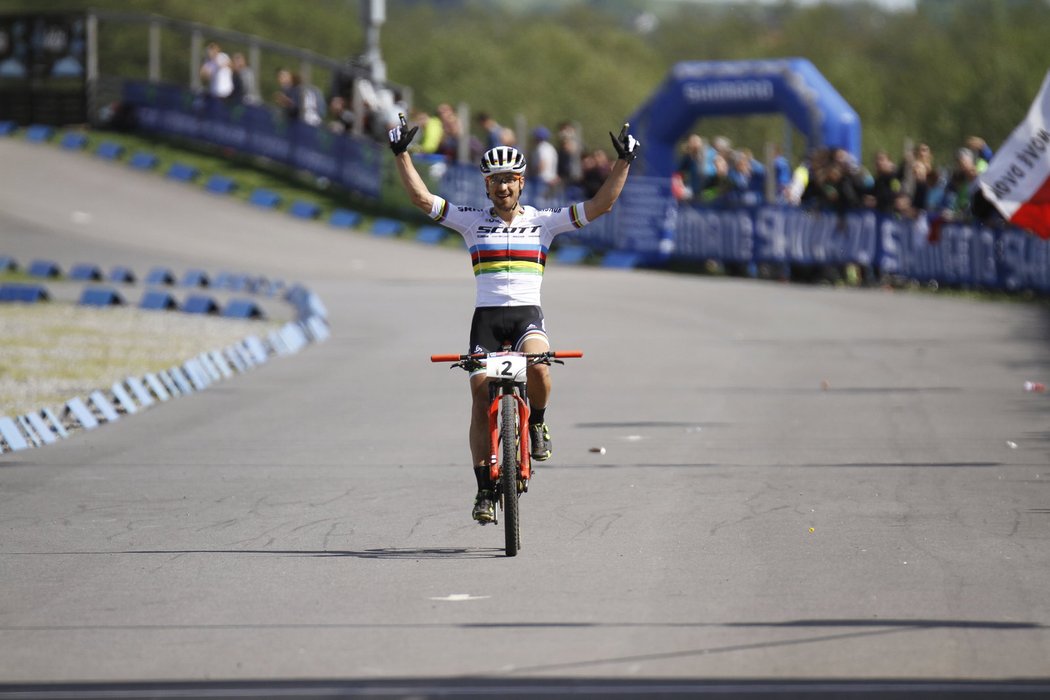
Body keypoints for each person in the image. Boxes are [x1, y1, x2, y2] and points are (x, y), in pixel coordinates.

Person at [388, 114, 640, 523]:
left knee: (540, 367)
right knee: (478, 397)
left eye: (510, 179)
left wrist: (623, 162)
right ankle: (484, 491)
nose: (503, 186)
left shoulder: (543, 222)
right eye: (495, 180)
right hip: (486, 322)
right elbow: (423, 200)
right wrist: (401, 154)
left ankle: (537, 423)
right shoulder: (472, 220)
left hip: (526, 318)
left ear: (522, 182)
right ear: (486, 185)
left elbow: (601, 205)